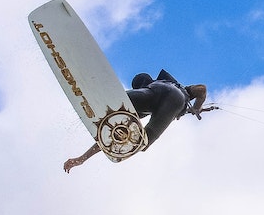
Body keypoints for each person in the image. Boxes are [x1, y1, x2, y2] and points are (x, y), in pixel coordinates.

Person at [64, 69, 211, 172]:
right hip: (177, 100)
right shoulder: (178, 88)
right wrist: (196, 108)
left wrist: (82, 158)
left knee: (117, 108)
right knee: (140, 141)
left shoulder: (147, 95)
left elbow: (109, 131)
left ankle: (93, 89)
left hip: (154, 94)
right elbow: (202, 90)